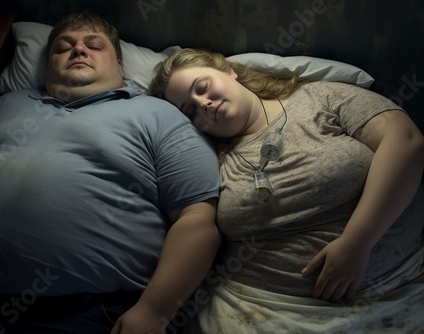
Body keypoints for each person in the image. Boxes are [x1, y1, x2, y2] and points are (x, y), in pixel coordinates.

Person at [0, 14, 221, 334]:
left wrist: (154, 310)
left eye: (94, 46)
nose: (79, 51)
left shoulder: (160, 115)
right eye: (63, 47)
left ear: (120, 65)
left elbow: (197, 217)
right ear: (49, 63)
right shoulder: (3, 106)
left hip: (90, 313)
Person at [148, 48, 424, 333]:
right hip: (261, 310)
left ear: (230, 72)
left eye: (202, 87)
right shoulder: (210, 162)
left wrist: (357, 243)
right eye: (190, 110)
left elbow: (405, 142)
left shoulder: (319, 97)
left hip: (395, 290)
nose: (203, 103)